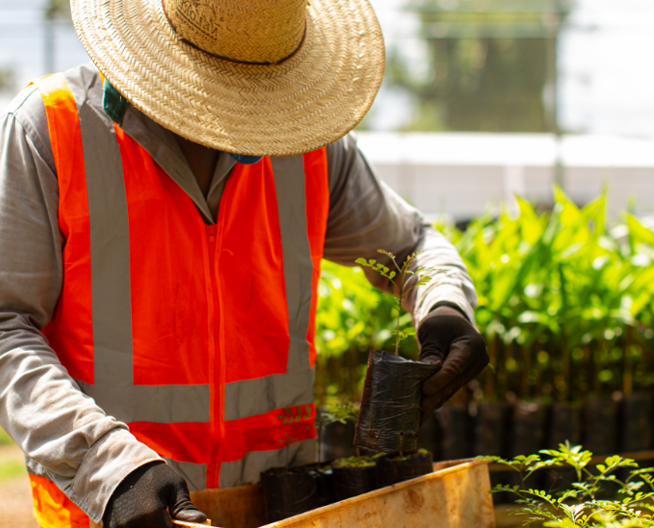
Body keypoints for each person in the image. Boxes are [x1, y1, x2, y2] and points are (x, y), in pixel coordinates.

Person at [0, 0, 488, 526]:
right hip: (119, 510)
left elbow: (411, 244)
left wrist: (445, 307)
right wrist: (109, 467)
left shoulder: (306, 144)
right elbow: (6, 325)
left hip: (276, 504)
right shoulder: (52, 131)